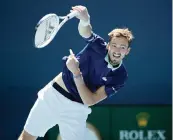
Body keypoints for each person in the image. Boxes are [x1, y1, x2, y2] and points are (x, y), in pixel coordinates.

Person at [18, 5, 134, 140]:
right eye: (114, 45)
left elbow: (90, 100)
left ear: (127, 51)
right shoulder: (98, 45)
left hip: (77, 109)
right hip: (53, 96)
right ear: (108, 46)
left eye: (122, 47)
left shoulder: (120, 76)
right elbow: (86, 32)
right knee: (27, 137)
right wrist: (85, 20)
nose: (117, 50)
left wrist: (76, 73)